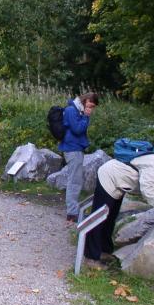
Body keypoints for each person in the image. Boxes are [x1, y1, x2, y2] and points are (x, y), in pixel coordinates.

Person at [83, 152, 154, 269]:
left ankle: (103, 251)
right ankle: (91, 258)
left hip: (120, 182)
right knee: (99, 219)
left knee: (110, 218)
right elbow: (148, 190)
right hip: (110, 177)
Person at [59, 92, 99, 223]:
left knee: (75, 179)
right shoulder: (71, 110)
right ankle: (72, 213)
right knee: (74, 181)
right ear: (85, 100)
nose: (91, 109)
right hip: (72, 148)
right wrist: (86, 117)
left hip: (75, 148)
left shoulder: (77, 110)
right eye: (91, 105)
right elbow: (77, 129)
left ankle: (73, 211)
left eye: (93, 107)